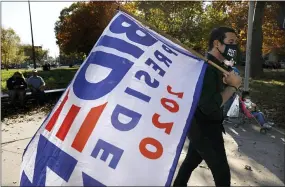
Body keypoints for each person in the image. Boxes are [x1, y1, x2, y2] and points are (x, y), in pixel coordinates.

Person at [173, 27, 242, 187]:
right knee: (222, 174)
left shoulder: (217, 65)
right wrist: (233, 87)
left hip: (204, 125)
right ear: (217, 43)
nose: (234, 47)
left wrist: (228, 80)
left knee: (190, 163)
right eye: (231, 42)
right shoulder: (206, 68)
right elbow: (211, 106)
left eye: (236, 43)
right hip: (204, 129)